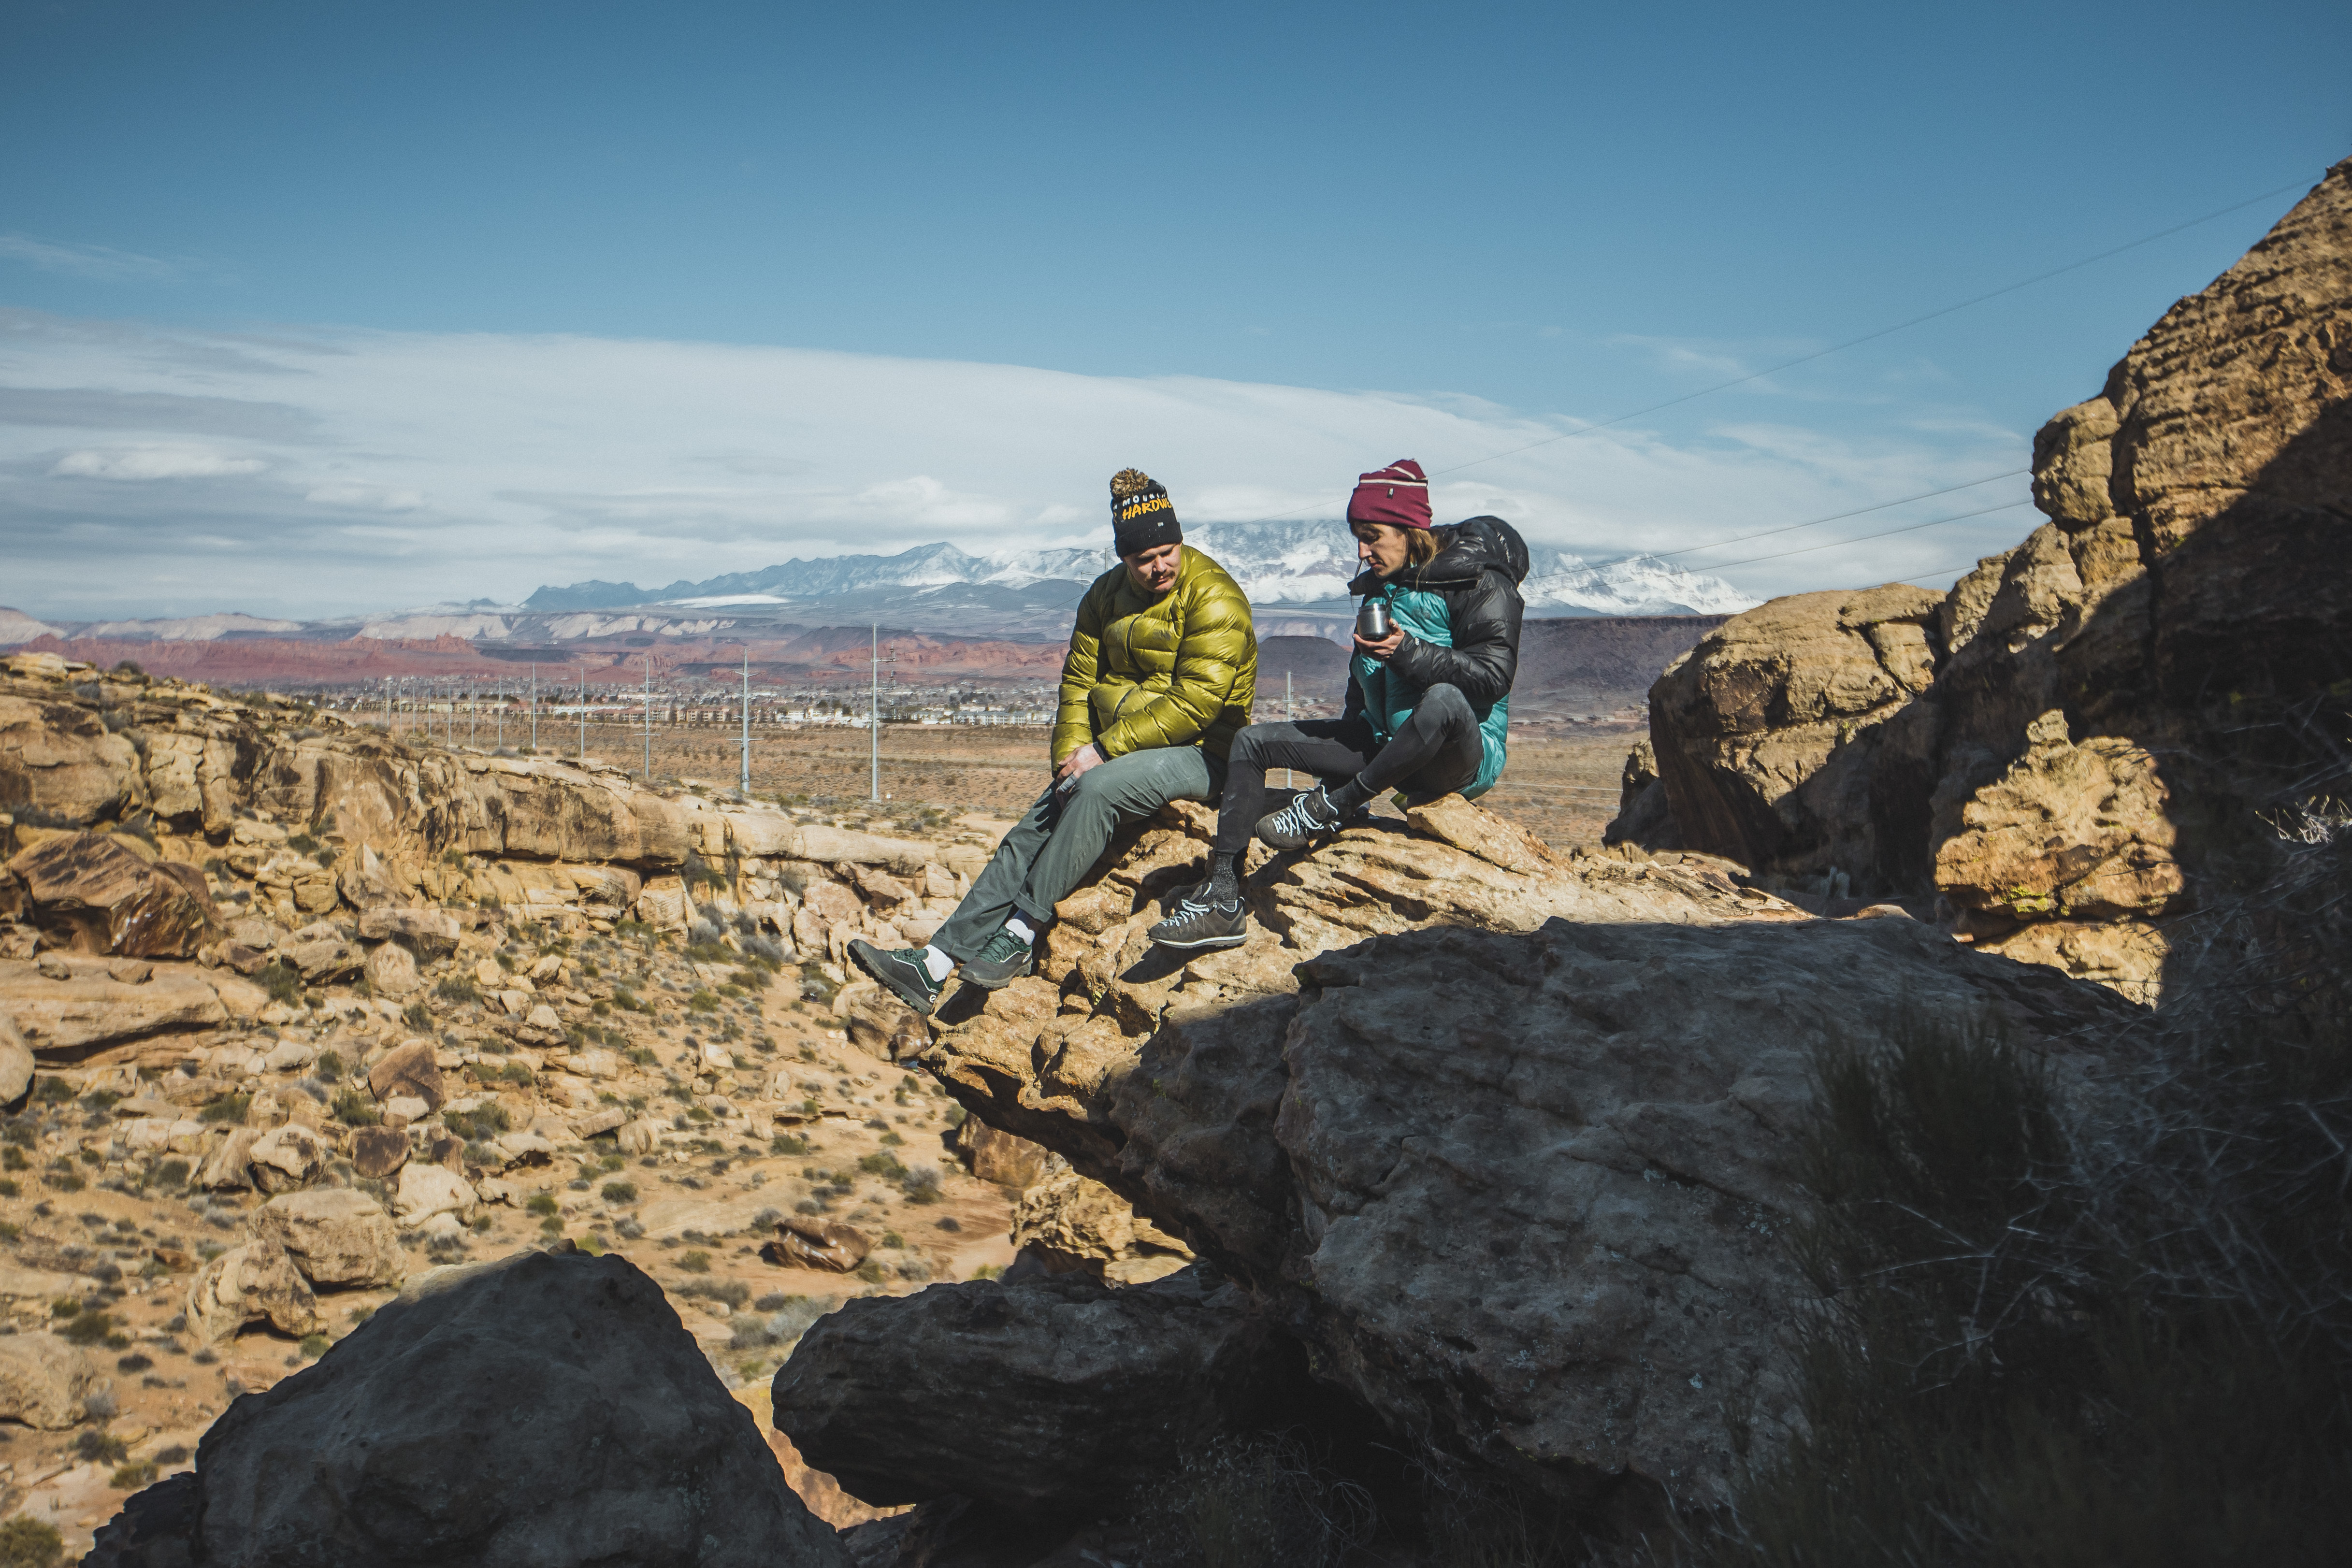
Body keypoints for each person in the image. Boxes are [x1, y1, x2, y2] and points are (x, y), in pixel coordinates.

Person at [851, 468, 1257, 1013]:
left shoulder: (1214, 597)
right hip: (1125, 746)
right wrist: (1070, 755)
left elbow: (1196, 704)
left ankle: (1020, 932)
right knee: (1041, 818)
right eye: (1144, 558)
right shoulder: (1104, 596)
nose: (1159, 566)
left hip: (1206, 751)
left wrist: (1104, 752)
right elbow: (1078, 683)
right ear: (1123, 558)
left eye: (1168, 551)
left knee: (1097, 791)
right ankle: (935, 964)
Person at [1148, 458, 1526, 952]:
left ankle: (1334, 806)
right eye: (1358, 538)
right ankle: (1222, 897)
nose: (1363, 550)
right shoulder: (1383, 590)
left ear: (1411, 528)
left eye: (1372, 535)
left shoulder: (1479, 582)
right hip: (1386, 749)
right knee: (1251, 741)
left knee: (1442, 699)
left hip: (1455, 756)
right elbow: (1360, 693)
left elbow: (1493, 677)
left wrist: (1406, 651)